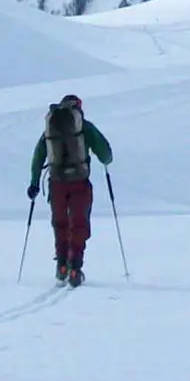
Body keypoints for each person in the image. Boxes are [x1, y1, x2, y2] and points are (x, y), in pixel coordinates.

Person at [27, 93, 112, 287]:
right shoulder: (84, 127)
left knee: (60, 223)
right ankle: (75, 267)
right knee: (79, 224)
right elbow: (106, 154)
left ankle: (62, 266)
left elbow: (38, 155)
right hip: (79, 182)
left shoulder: (51, 127)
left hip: (56, 182)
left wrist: (33, 183)